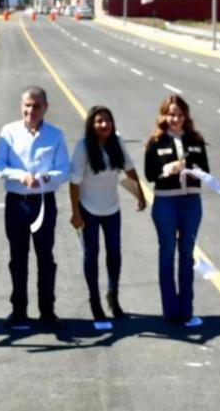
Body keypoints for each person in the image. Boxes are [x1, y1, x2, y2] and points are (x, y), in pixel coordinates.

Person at [0, 87, 70, 329]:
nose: (31, 110)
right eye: (27, 105)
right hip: (17, 202)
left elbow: (64, 170)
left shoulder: (55, 135)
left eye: (36, 106)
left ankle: (47, 310)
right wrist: (20, 176)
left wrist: (44, 178)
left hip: (44, 202)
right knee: (18, 257)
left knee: (45, 257)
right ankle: (18, 310)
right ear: (21, 106)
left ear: (45, 107)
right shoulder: (9, 132)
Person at [68, 105, 146, 321]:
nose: (104, 125)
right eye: (99, 121)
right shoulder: (83, 148)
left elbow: (128, 168)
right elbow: (74, 183)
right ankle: (94, 300)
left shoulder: (116, 141)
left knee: (114, 253)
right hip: (88, 208)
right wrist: (76, 213)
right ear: (91, 125)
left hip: (112, 207)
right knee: (91, 254)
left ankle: (113, 295)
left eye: (108, 121)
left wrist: (139, 193)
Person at [143, 94, 209, 325]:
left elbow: (206, 172)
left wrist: (192, 169)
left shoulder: (196, 139)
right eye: (171, 114)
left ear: (185, 117)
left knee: (187, 253)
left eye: (179, 115)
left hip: (191, 203)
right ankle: (170, 309)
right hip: (166, 203)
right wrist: (166, 169)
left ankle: (186, 309)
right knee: (167, 253)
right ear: (163, 116)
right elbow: (150, 174)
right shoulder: (155, 141)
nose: (175, 119)